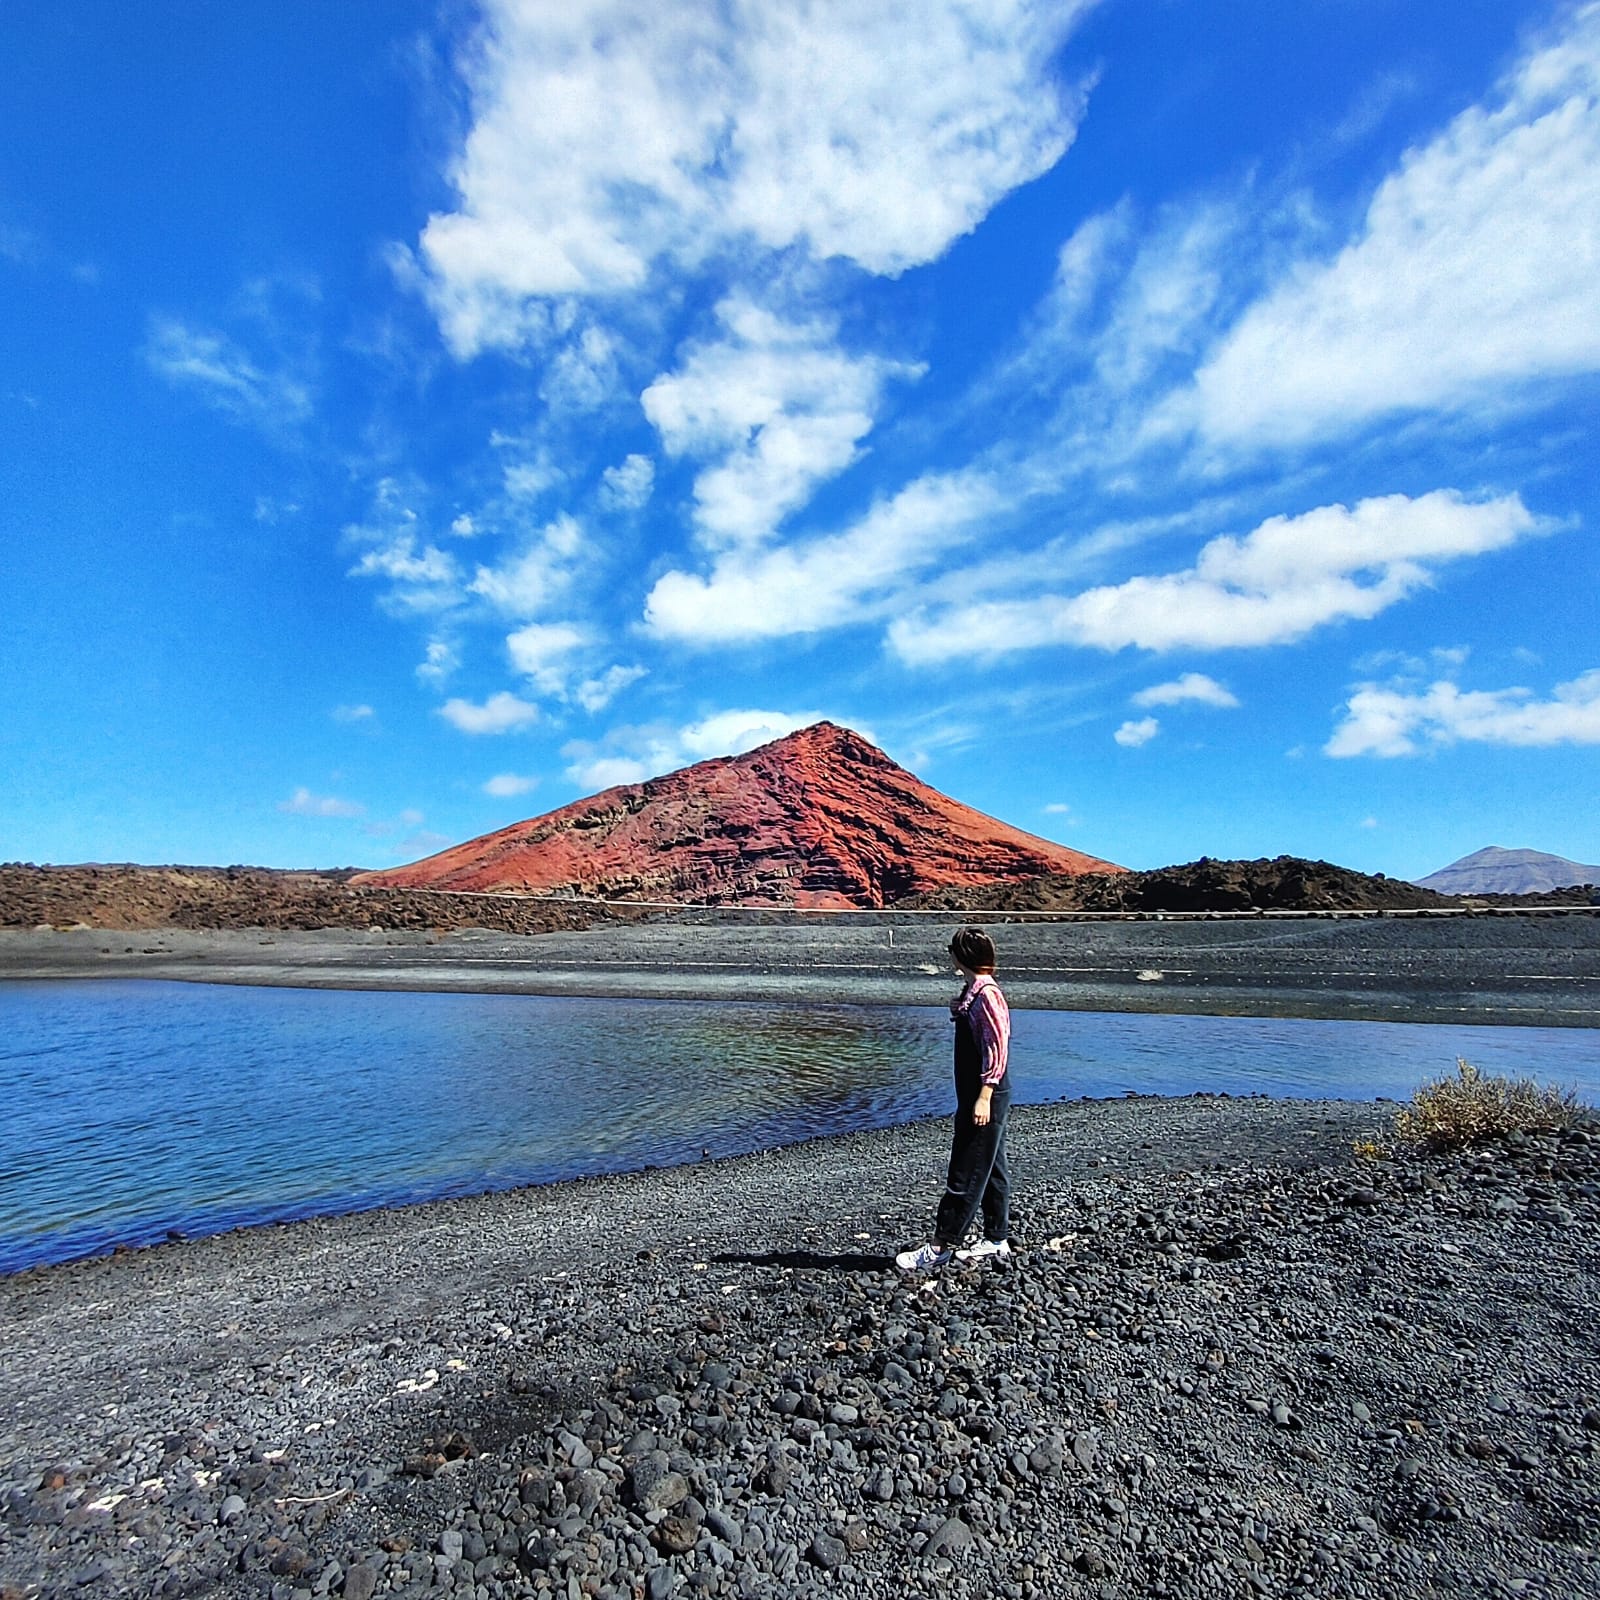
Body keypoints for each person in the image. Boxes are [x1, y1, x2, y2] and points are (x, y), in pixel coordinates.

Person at [897, 926, 1013, 1270]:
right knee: (991, 1165)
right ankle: (996, 1239)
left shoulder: (987, 995)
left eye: (952, 949)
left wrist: (985, 1095)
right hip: (980, 1089)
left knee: (966, 1165)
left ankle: (941, 1246)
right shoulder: (973, 992)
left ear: (962, 956)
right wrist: (960, 1009)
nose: (949, 954)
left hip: (985, 1090)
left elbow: (997, 1046)